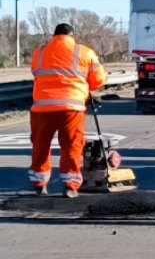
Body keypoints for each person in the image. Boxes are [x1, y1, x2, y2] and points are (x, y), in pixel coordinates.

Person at [29, 23, 107, 198]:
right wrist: (87, 86)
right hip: (71, 108)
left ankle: (40, 184)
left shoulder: (40, 52)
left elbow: (36, 73)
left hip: (42, 107)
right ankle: (70, 186)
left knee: (40, 145)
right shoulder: (84, 52)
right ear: (72, 36)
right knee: (71, 146)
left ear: (54, 35)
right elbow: (98, 80)